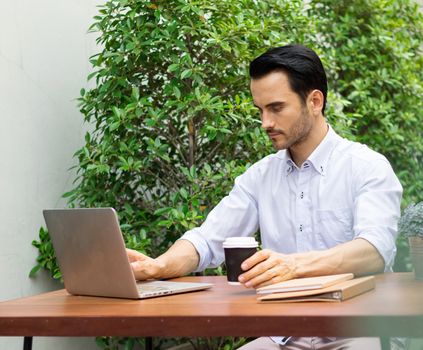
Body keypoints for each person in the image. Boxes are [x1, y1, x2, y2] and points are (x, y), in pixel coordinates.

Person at [127, 44, 403, 349]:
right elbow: (207, 239)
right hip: (282, 335)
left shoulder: (366, 167)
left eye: (276, 108)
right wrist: (158, 266)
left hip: (357, 330)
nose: (265, 123)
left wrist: (294, 266)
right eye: (260, 110)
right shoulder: (259, 177)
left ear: (314, 101)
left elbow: (375, 250)